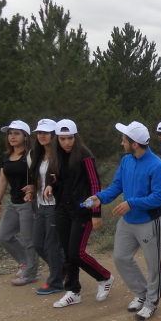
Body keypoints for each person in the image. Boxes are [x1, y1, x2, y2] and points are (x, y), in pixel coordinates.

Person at [90, 122, 161, 321]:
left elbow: (159, 197)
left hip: (149, 222)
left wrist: (132, 203)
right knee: (121, 258)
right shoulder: (126, 161)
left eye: (124, 140)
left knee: (153, 265)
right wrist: (100, 197)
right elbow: (117, 185)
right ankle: (141, 293)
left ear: (135, 144)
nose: (121, 142)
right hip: (127, 222)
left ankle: (151, 302)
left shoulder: (156, 165)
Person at [44, 119, 113, 308]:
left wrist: (96, 213)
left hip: (83, 209)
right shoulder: (56, 157)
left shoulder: (85, 156)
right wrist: (50, 186)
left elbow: (94, 184)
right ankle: (73, 291)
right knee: (67, 253)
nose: (67, 142)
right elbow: (56, 179)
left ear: (76, 137)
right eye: (63, 138)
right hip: (62, 210)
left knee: (77, 253)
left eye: (70, 138)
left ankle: (104, 277)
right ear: (57, 139)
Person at [0, 120, 38, 286]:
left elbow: (41, 176)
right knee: (4, 236)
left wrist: (34, 189)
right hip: (13, 203)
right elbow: (2, 180)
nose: (12, 136)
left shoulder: (31, 155)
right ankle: (25, 262)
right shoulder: (6, 156)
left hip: (28, 203)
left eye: (16, 133)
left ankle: (31, 273)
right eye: (10, 133)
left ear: (25, 136)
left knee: (29, 240)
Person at [27, 119, 65, 295]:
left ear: (53, 135)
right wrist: (31, 189)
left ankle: (56, 281)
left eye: (46, 132)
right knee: (37, 243)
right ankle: (62, 269)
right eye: (39, 132)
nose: (41, 135)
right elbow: (37, 179)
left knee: (51, 244)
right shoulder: (36, 154)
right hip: (41, 205)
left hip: (56, 205)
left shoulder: (61, 155)